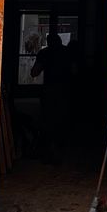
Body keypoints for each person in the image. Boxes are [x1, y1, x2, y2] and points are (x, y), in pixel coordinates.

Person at [31, 33, 71, 162]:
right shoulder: (67, 52)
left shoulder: (44, 53)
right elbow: (75, 70)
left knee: (48, 120)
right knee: (61, 119)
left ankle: (50, 149)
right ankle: (59, 149)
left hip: (49, 91)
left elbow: (34, 72)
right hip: (65, 91)